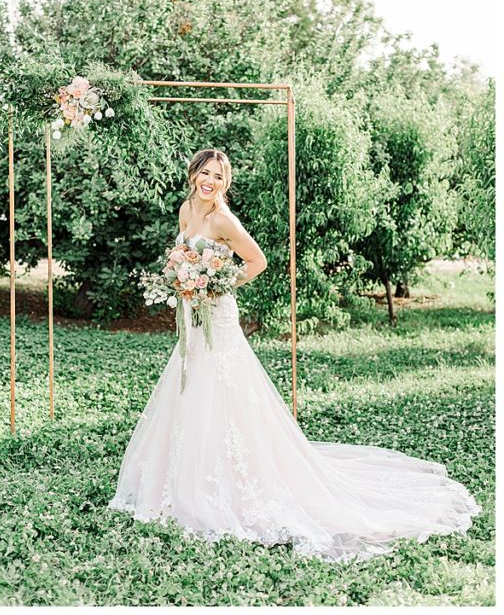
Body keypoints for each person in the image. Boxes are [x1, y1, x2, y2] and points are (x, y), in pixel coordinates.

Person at [108, 148, 480, 561]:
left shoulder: (222, 219)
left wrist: (216, 284)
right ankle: (182, 479)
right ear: (194, 174)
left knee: (222, 389)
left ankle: (231, 481)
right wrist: (184, 280)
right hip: (191, 318)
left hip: (218, 315)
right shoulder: (186, 210)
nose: (209, 181)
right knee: (190, 386)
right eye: (205, 173)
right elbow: (181, 257)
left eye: (218, 176)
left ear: (224, 182)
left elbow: (257, 261)